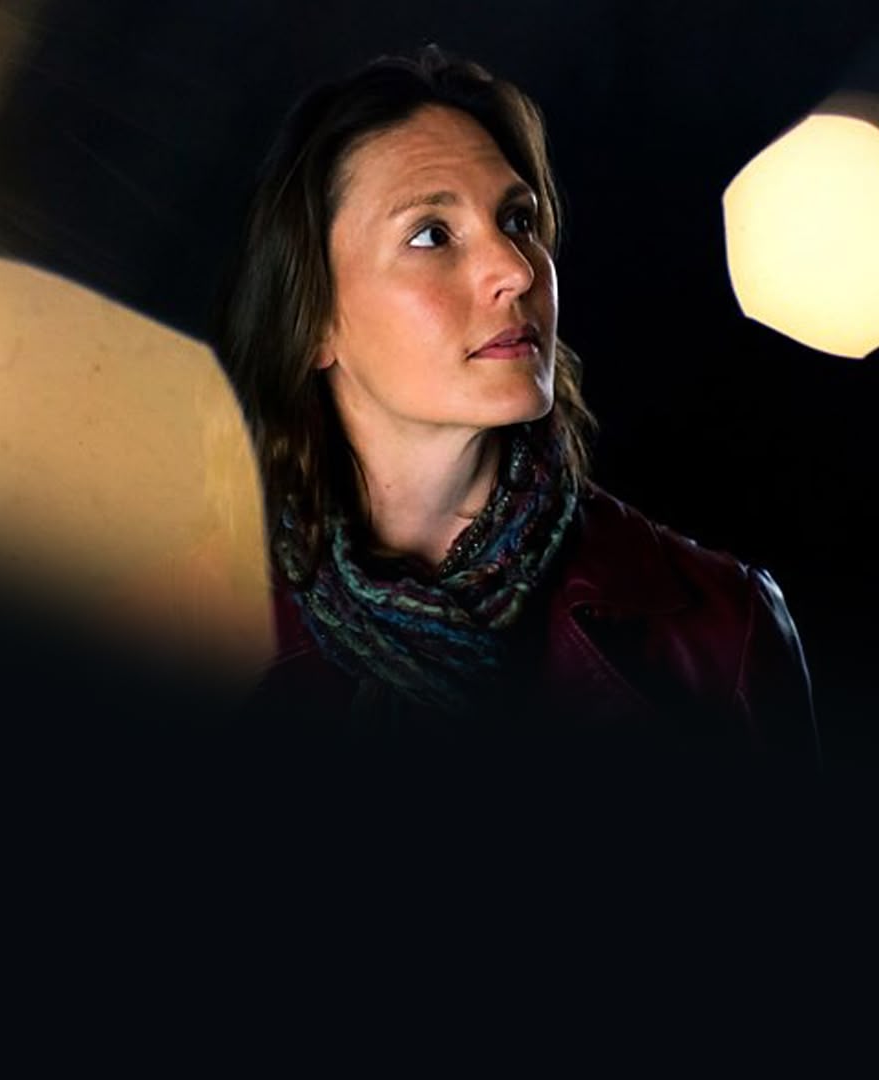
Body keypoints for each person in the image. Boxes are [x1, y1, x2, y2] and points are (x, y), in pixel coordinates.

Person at [213, 47, 821, 765]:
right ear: (313, 320)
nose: (516, 269)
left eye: (518, 220)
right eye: (431, 234)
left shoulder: (724, 632)